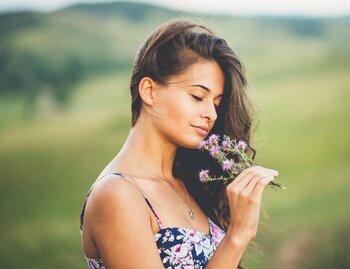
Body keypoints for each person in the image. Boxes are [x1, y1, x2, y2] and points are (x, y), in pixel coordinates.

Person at [79, 18, 279, 269]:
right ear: (149, 91)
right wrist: (237, 236)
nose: (212, 114)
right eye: (197, 96)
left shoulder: (187, 183)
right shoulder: (117, 194)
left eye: (216, 103)